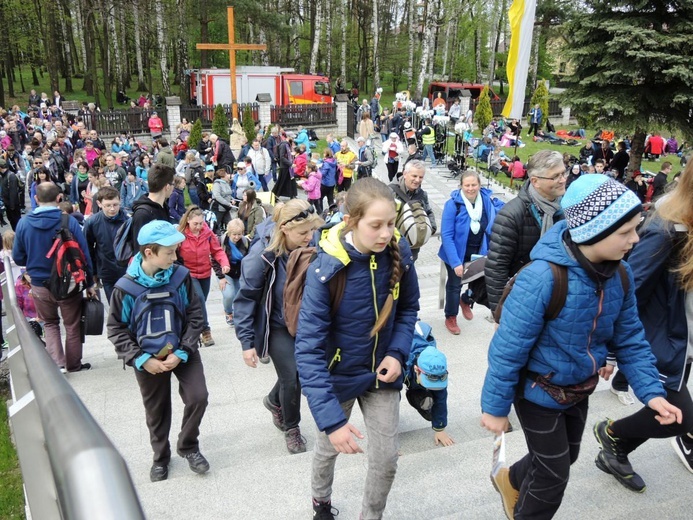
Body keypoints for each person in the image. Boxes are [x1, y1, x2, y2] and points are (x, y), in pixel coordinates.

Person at [481, 174, 682, 520]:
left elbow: (631, 337)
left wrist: (652, 392)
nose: (635, 239)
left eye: (636, 228)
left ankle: (510, 478)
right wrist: (495, 408)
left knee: (567, 455)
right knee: (553, 475)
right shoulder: (544, 277)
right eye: (626, 232)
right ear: (593, 231)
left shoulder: (621, 275)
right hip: (536, 391)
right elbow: (507, 348)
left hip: (579, 388)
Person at [294, 178, 420, 520]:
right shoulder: (326, 270)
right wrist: (333, 422)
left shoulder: (399, 253)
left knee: (386, 459)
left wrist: (397, 353)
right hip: (340, 373)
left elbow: (408, 309)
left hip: (383, 373)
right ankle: (320, 500)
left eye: (391, 223)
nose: (385, 233)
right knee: (327, 445)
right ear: (351, 221)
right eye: (376, 225)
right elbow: (307, 350)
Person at [593, 165, 693, 489]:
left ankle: (616, 448)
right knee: (679, 416)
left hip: (684, 341)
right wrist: (609, 350)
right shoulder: (669, 230)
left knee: (669, 412)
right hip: (661, 341)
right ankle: (612, 434)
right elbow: (626, 287)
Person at [107, 220, 209, 483]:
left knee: (198, 396)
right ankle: (160, 458)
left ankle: (188, 446)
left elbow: (196, 316)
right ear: (148, 252)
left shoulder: (180, 276)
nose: (175, 257)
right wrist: (141, 359)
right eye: (170, 252)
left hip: (182, 351)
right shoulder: (125, 288)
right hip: (147, 359)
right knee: (157, 411)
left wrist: (184, 350)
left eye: (176, 250)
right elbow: (116, 329)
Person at [235, 200, 323, 456]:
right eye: (303, 233)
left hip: (307, 320)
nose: (310, 237)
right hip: (277, 326)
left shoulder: (314, 242)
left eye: (311, 231)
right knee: (292, 376)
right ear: (284, 229)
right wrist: (246, 342)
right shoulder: (261, 256)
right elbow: (246, 298)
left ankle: (274, 401)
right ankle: (291, 427)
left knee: (297, 374)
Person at [12, 183, 97, 373]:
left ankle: (58, 364)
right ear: (59, 198)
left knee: (50, 323)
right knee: (73, 325)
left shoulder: (24, 223)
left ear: (35, 198)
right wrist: (90, 283)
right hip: (69, 283)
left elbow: (18, 257)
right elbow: (84, 254)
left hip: (40, 284)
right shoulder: (68, 221)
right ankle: (74, 364)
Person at [485, 150, 566, 312]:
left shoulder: (566, 207)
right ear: (535, 181)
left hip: (557, 298)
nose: (563, 180)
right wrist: (500, 313)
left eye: (564, 173)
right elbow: (496, 269)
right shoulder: (511, 215)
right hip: (522, 301)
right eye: (555, 176)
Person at [439, 171, 503, 334]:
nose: (470, 188)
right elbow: (446, 235)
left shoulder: (487, 201)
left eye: (474, 185)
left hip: (479, 251)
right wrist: (455, 263)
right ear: (461, 185)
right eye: (467, 185)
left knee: (480, 282)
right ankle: (451, 317)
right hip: (455, 253)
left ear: (479, 185)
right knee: (455, 285)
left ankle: (466, 300)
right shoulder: (453, 204)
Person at [177, 206, 230, 347]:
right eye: (195, 224)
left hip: (205, 273)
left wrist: (224, 263)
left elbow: (217, 251)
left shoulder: (207, 233)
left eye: (201, 223)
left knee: (199, 304)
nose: (198, 227)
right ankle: (205, 330)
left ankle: (191, 327)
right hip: (188, 273)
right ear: (188, 221)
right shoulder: (180, 234)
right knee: (198, 299)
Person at [404, 325, 454, 447]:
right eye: (429, 381)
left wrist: (439, 429)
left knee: (429, 401)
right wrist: (387, 439)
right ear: (417, 370)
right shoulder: (401, 365)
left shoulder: (437, 366)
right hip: (399, 355)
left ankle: (418, 392)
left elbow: (441, 399)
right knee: (390, 398)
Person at [83, 186, 128, 302]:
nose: (112, 209)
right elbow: (87, 249)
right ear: (99, 204)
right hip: (107, 270)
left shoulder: (128, 221)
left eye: (115, 204)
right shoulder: (92, 222)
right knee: (114, 305)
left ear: (120, 202)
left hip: (127, 270)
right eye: (108, 205)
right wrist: (92, 272)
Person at [389, 159, 437, 261]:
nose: (417, 180)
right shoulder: (390, 191)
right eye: (414, 176)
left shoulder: (422, 194)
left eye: (421, 177)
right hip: (392, 245)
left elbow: (428, 211)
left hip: (413, 247)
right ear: (405, 174)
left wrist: (430, 228)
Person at [131, 163, 175, 250]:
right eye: (173, 184)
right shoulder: (142, 214)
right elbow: (139, 250)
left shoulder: (163, 206)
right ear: (167, 186)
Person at [218, 218, 249, 326]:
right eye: (234, 234)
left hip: (239, 272)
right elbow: (214, 259)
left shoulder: (245, 242)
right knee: (229, 294)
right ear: (229, 232)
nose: (237, 237)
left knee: (239, 294)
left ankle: (238, 314)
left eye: (239, 234)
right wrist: (221, 277)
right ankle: (228, 312)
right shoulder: (222, 241)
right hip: (226, 272)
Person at [272, 132, 297, 199]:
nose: (293, 138)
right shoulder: (283, 145)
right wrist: (290, 164)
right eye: (292, 137)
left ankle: (292, 195)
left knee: (290, 182)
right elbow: (282, 157)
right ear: (288, 137)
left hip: (288, 167)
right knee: (281, 182)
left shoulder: (288, 144)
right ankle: (274, 196)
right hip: (284, 167)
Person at [0, 159, 22, 230]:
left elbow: (13, 192)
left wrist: (12, 206)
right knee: (12, 221)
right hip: (7, 204)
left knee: (16, 222)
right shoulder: (3, 176)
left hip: (13, 205)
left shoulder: (11, 176)